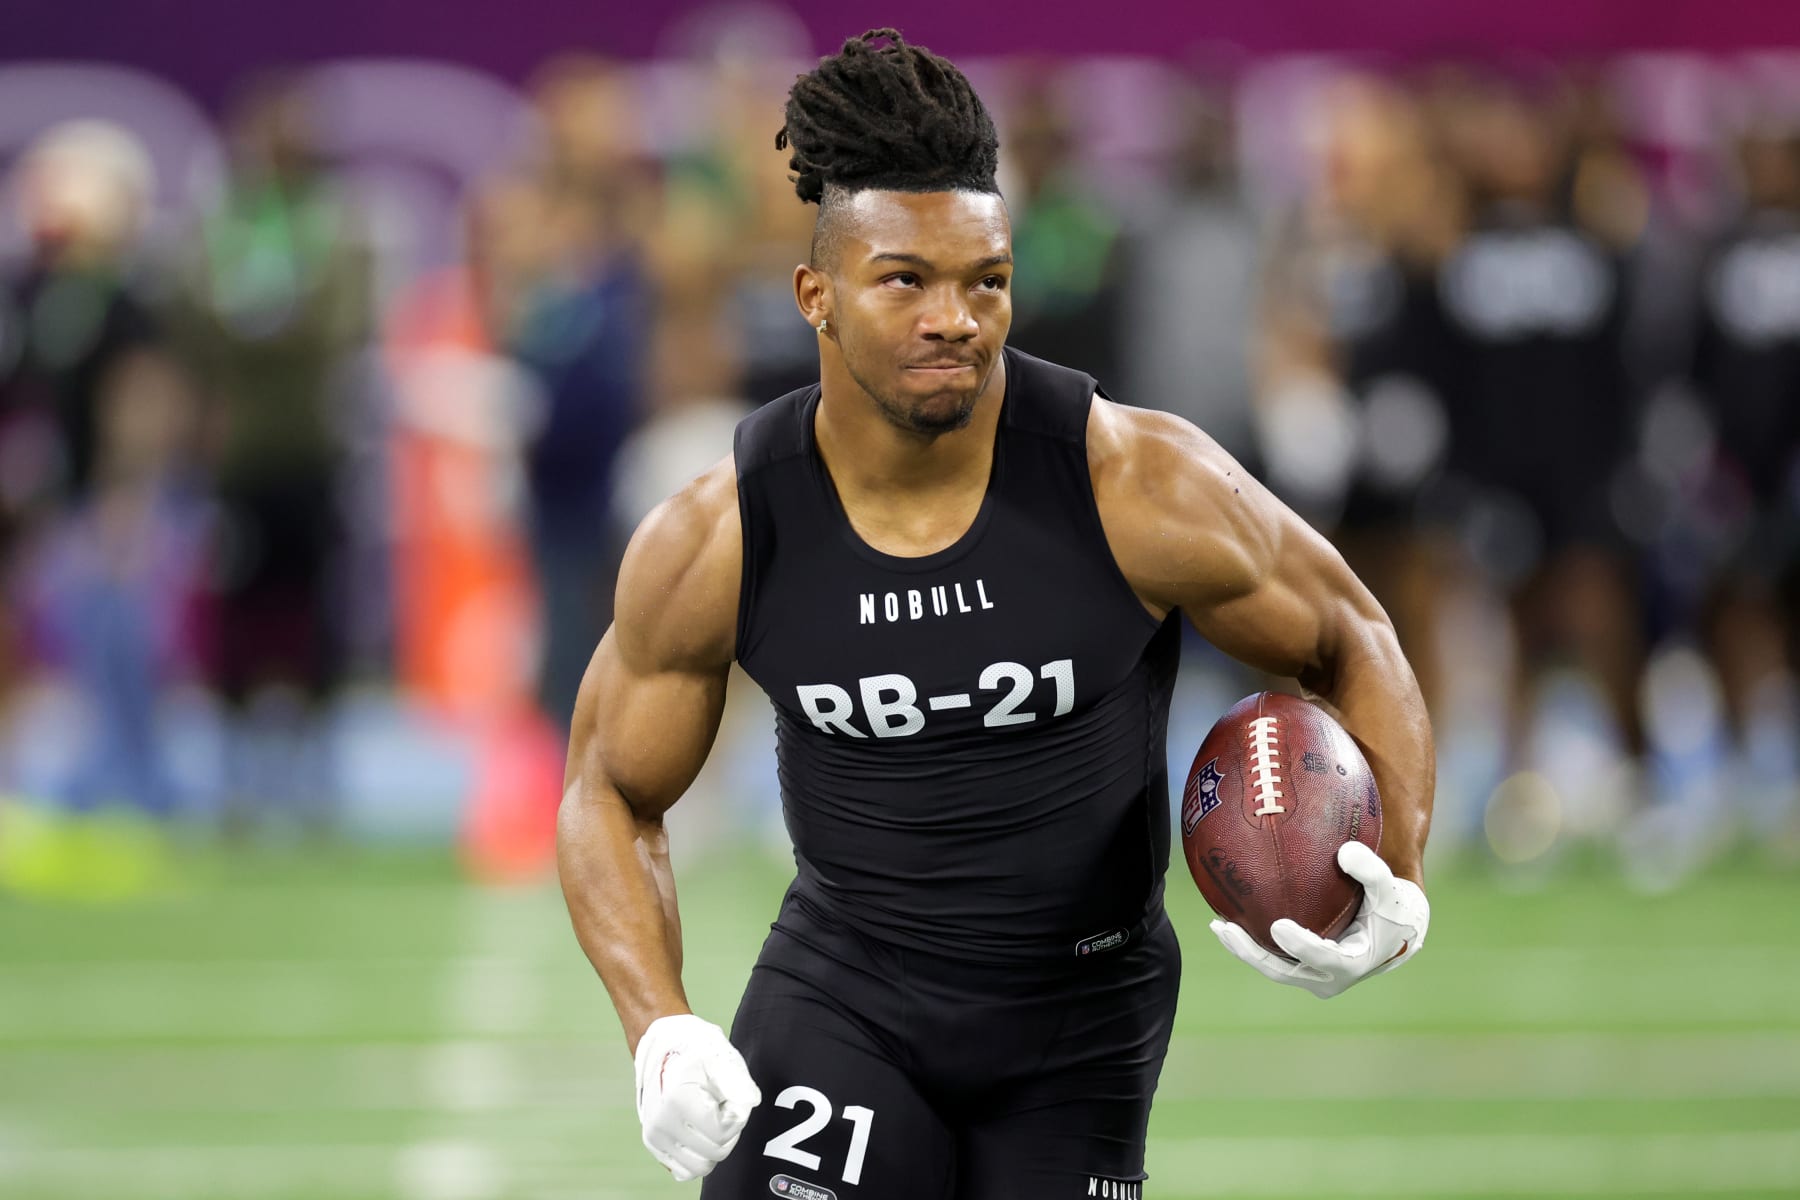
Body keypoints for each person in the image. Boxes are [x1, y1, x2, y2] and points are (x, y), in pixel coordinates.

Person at [557, 30, 1434, 1197]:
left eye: (986, 281)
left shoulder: (1137, 485)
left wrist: (1399, 874)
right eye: (906, 280)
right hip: (846, 994)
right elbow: (608, 789)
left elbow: (1352, 638)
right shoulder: (722, 532)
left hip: (1083, 1014)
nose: (955, 318)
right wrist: (658, 1025)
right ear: (816, 295)